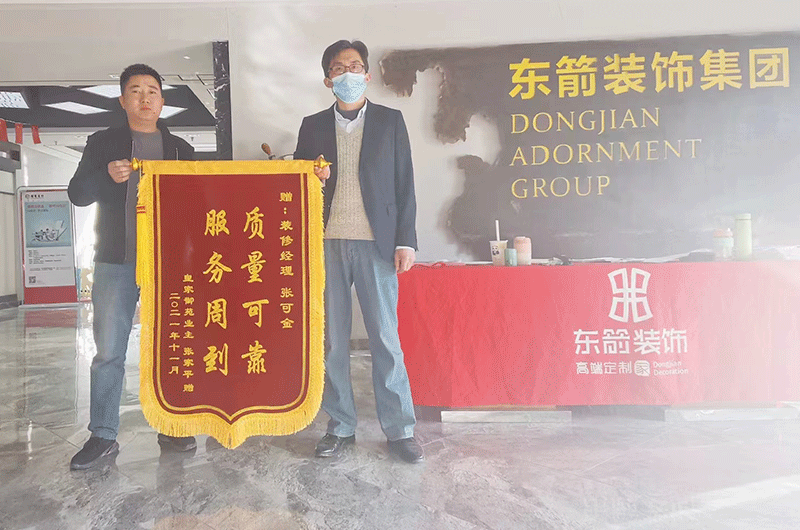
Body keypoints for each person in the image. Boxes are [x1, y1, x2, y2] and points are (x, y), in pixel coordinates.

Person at [294, 40, 423, 463]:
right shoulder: (312, 126)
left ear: (366, 75)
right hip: (325, 244)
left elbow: (404, 182)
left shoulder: (390, 121)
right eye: (338, 68)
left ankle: (400, 430)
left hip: (377, 243)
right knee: (332, 340)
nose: (347, 74)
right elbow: (296, 185)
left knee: (385, 337)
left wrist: (406, 240)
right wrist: (312, 176)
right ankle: (340, 425)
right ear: (327, 79)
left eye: (354, 66)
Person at [67, 64, 197, 470]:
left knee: (172, 347)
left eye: (152, 91)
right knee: (108, 351)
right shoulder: (103, 143)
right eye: (136, 91)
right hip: (115, 262)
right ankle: (103, 435)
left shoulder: (181, 150)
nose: (145, 98)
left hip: (169, 267)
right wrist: (106, 175)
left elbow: (199, 206)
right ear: (123, 100)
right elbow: (77, 194)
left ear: (162, 101)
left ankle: (173, 425)